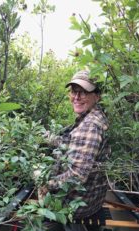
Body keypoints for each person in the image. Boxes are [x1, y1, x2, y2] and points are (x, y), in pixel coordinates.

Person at [39, 69, 109, 220]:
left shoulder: (90, 126)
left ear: (96, 96)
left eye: (83, 92)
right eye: (73, 91)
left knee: (36, 174)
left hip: (76, 206)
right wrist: (51, 139)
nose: (76, 97)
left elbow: (77, 176)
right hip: (91, 198)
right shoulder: (94, 115)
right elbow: (74, 142)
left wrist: (46, 184)